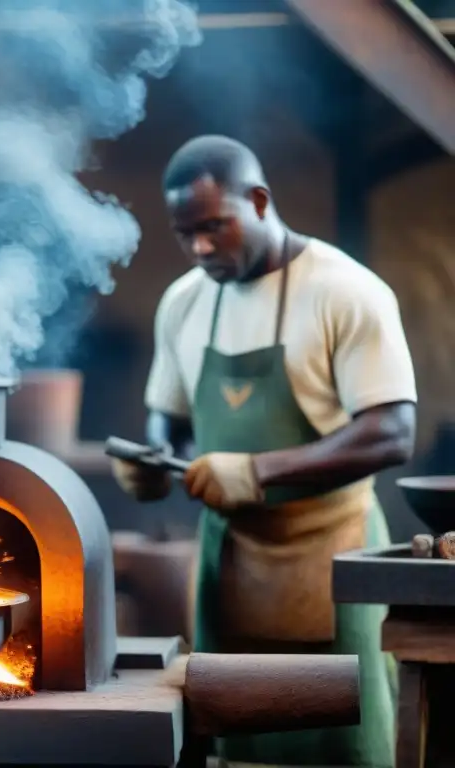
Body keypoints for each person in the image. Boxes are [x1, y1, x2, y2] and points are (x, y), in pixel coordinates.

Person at [112, 135, 416, 767]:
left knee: (347, 745)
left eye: (215, 227)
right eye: (185, 234)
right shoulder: (186, 300)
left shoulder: (345, 291)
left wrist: (259, 471)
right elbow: (167, 416)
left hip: (332, 558)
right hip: (231, 564)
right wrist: (152, 462)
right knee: (236, 746)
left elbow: (393, 431)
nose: (200, 248)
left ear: (258, 201)